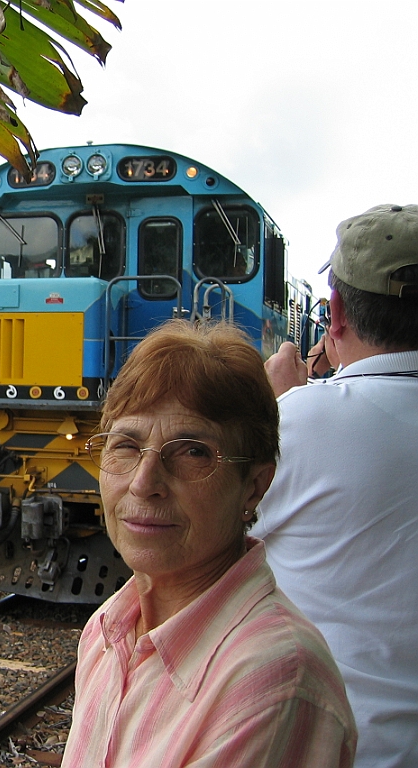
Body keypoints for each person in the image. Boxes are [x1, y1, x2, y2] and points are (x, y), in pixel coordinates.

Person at [61, 320, 356, 768]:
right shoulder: (107, 631)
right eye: (125, 445)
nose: (143, 484)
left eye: (193, 451)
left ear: (254, 487)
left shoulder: (272, 681)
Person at [258, 203, 418, 768]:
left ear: (337, 313)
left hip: (328, 749)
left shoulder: (299, 420)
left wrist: (274, 408)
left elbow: (207, 536)